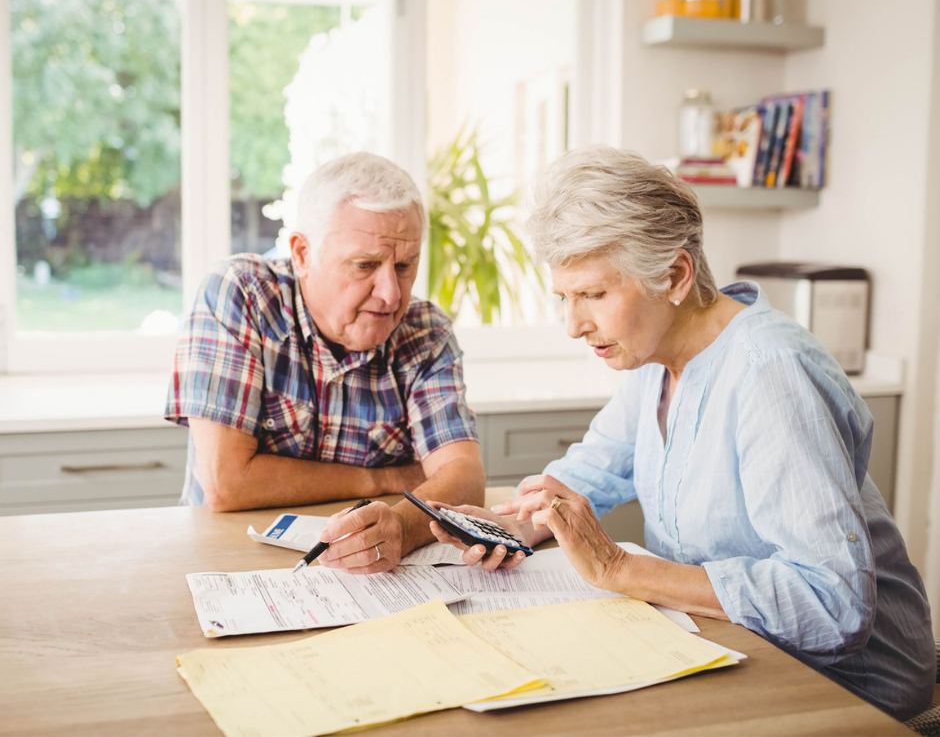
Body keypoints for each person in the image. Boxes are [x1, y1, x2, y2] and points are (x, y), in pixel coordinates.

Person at [429, 145, 935, 721]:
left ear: (674, 275)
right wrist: (508, 523)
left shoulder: (769, 374)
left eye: (594, 294)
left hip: (848, 690)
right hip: (729, 648)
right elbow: (586, 472)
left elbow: (833, 606)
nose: (573, 325)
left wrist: (620, 569)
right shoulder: (658, 360)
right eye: (564, 298)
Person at [166, 152, 484, 574]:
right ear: (301, 254)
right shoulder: (241, 293)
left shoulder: (426, 331)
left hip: (372, 572)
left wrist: (402, 527)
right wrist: (385, 479)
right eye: (365, 265)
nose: (391, 293)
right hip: (229, 563)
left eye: (405, 266)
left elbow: (465, 479)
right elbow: (226, 484)